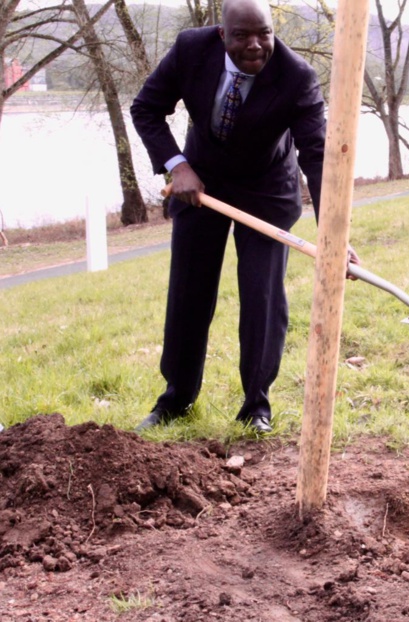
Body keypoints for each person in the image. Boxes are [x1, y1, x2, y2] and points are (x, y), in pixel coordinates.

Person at [131, 0, 357, 433]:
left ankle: (256, 406)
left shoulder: (296, 76)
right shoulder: (190, 49)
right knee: (188, 292)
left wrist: (335, 236)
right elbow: (146, 108)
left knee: (262, 297)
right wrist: (178, 167)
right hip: (199, 181)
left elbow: (316, 155)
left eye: (264, 34)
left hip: (266, 188)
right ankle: (176, 400)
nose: (255, 45)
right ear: (222, 35)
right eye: (242, 35)